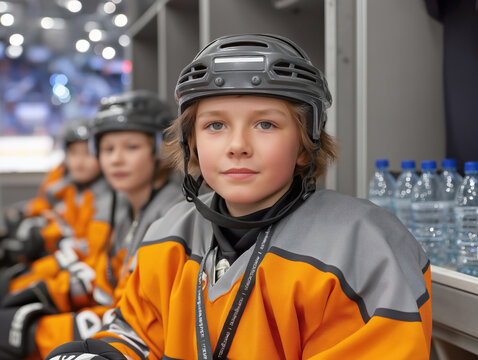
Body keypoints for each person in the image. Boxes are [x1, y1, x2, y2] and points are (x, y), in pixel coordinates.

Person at [46, 34, 432, 360]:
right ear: (191, 143)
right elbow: (136, 335)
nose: (237, 146)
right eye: (215, 125)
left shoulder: (364, 247)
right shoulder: (167, 236)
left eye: (265, 124)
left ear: (305, 144)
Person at [0, 91, 184, 359]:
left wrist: (42, 330)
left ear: (160, 149)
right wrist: (46, 291)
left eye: (131, 147)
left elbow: (142, 313)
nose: (116, 159)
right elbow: (100, 276)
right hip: (114, 321)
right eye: (108, 149)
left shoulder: (173, 213)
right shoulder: (119, 206)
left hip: (134, 337)